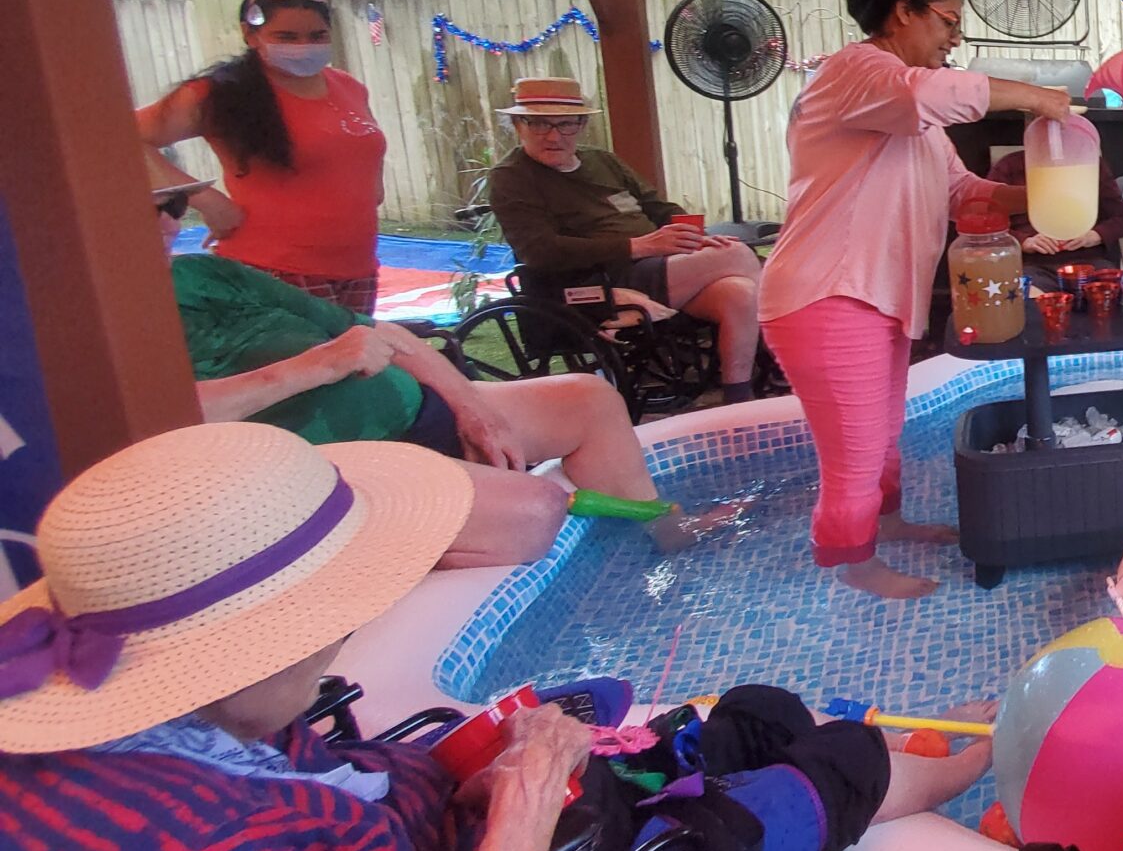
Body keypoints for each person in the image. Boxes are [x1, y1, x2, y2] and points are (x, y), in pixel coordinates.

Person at [0, 423, 996, 851]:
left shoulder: (170, 739)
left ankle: (894, 758)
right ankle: (955, 758)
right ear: (249, 649)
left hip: (486, 814)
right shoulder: (207, 830)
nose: (343, 637)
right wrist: (519, 809)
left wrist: (486, 764)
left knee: (760, 711)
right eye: (329, 628)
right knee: (829, 767)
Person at [155, 181, 718, 566]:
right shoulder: (115, 341)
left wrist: (473, 410)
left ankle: (665, 533)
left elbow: (385, 336)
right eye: (150, 206)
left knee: (589, 400)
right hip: (337, 467)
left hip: (420, 407)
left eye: (174, 205)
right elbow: (166, 425)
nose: (165, 220)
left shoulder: (206, 275)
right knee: (533, 512)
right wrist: (314, 367)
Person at [759, 0, 1072, 599]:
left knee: (883, 433)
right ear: (904, 13)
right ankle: (850, 565)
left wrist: (1053, 193)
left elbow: (964, 193)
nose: (954, 38)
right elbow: (925, 93)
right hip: (826, 293)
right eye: (948, 22)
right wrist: (1037, 96)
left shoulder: (913, 119)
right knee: (854, 450)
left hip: (873, 295)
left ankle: (887, 523)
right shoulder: (856, 72)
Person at [485, 76, 766, 406]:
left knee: (738, 292)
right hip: (592, 281)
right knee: (736, 254)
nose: (553, 136)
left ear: (581, 125)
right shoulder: (512, 177)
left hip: (658, 265)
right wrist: (640, 246)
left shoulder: (602, 161)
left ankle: (739, 398)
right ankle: (790, 353)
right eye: (539, 124)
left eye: (566, 124)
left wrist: (696, 237)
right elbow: (540, 251)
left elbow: (658, 208)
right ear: (518, 126)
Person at [136, 0, 389, 315]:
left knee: (360, 351)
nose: (303, 46)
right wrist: (205, 198)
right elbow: (120, 137)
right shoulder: (221, 94)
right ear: (250, 34)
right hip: (275, 270)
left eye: (317, 36)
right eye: (286, 36)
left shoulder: (348, 86)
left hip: (358, 269)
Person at [983, 145, 1123, 291]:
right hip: (1032, 266)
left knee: (1114, 296)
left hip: (1089, 262)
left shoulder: (1091, 165)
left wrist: (1095, 235)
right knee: (1029, 299)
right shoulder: (1009, 165)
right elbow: (986, 224)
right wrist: (1024, 241)